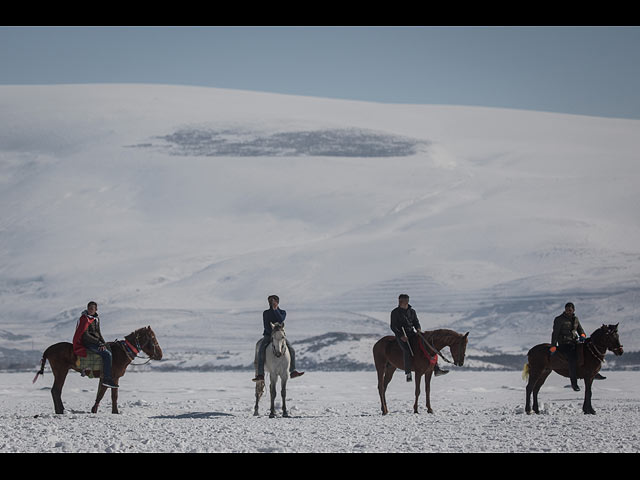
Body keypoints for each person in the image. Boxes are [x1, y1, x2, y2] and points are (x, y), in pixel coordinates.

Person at [390, 294, 448, 382]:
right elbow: (393, 326)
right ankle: (408, 372)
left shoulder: (412, 311)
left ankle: (436, 368)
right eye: (399, 300)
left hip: (412, 334)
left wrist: (418, 329)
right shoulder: (395, 312)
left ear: (407, 301)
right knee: (407, 350)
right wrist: (401, 336)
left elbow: (416, 322)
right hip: (402, 336)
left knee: (429, 346)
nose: (400, 302)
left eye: (402, 301)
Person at [252, 295, 304, 382]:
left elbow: (280, 320)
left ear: (277, 302)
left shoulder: (283, 312)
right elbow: (266, 325)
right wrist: (272, 333)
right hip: (269, 335)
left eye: (273, 301)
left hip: (279, 336)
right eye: (270, 301)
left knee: (291, 349)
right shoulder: (266, 313)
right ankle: (260, 374)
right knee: (261, 350)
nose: (271, 303)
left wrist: (275, 310)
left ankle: (293, 370)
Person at [72, 301, 118, 389]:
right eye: (89, 308)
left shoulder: (96, 319)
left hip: (96, 342)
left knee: (110, 349)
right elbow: (85, 335)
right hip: (88, 343)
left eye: (92, 309)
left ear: (96, 310)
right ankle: (106, 379)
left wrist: (103, 343)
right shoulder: (84, 319)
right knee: (107, 354)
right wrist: (98, 343)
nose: (90, 310)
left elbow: (98, 333)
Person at [550, 302, 586, 391]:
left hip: (575, 342)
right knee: (572, 358)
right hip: (564, 344)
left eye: (570, 310)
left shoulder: (576, 319)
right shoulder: (559, 319)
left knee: (588, 351)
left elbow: (581, 330)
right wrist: (553, 346)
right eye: (566, 310)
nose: (568, 312)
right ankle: (574, 383)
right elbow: (555, 333)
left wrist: (582, 336)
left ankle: (593, 372)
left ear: (573, 310)